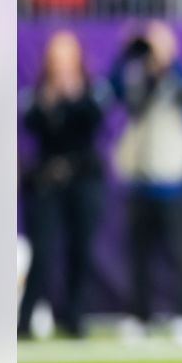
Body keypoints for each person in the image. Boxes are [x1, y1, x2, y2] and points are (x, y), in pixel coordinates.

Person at [109, 22, 182, 339]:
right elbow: (113, 91)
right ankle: (138, 314)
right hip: (139, 176)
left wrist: (166, 62)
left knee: (180, 252)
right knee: (138, 254)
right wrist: (128, 54)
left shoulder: (181, 74)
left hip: (173, 177)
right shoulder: (135, 74)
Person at [18, 30, 106, 338]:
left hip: (83, 178)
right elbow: (30, 123)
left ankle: (75, 317)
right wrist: (50, 101)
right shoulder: (38, 93)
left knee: (80, 250)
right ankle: (25, 319)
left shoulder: (92, 89)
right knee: (42, 251)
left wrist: (73, 96)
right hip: (47, 180)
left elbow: (94, 120)